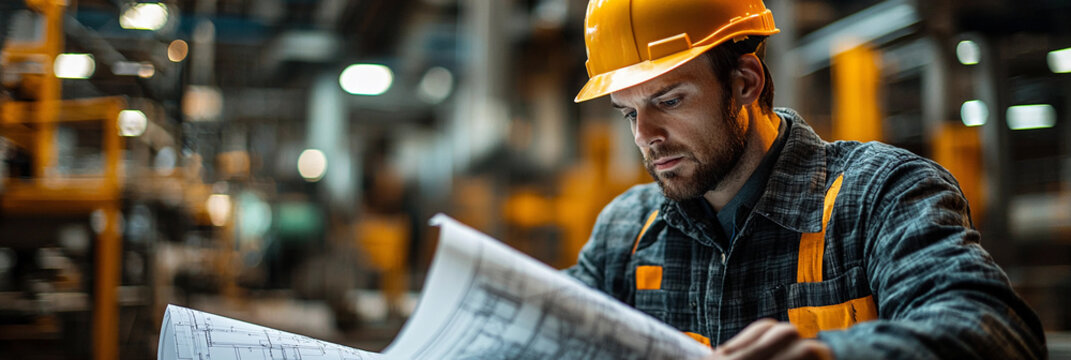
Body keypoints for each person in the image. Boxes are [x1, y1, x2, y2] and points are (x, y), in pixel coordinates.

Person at [563, 0, 1046, 359]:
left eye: (669, 101)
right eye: (628, 112)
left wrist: (833, 355)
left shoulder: (879, 195)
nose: (646, 136)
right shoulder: (626, 233)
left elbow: (996, 331)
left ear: (745, 82)